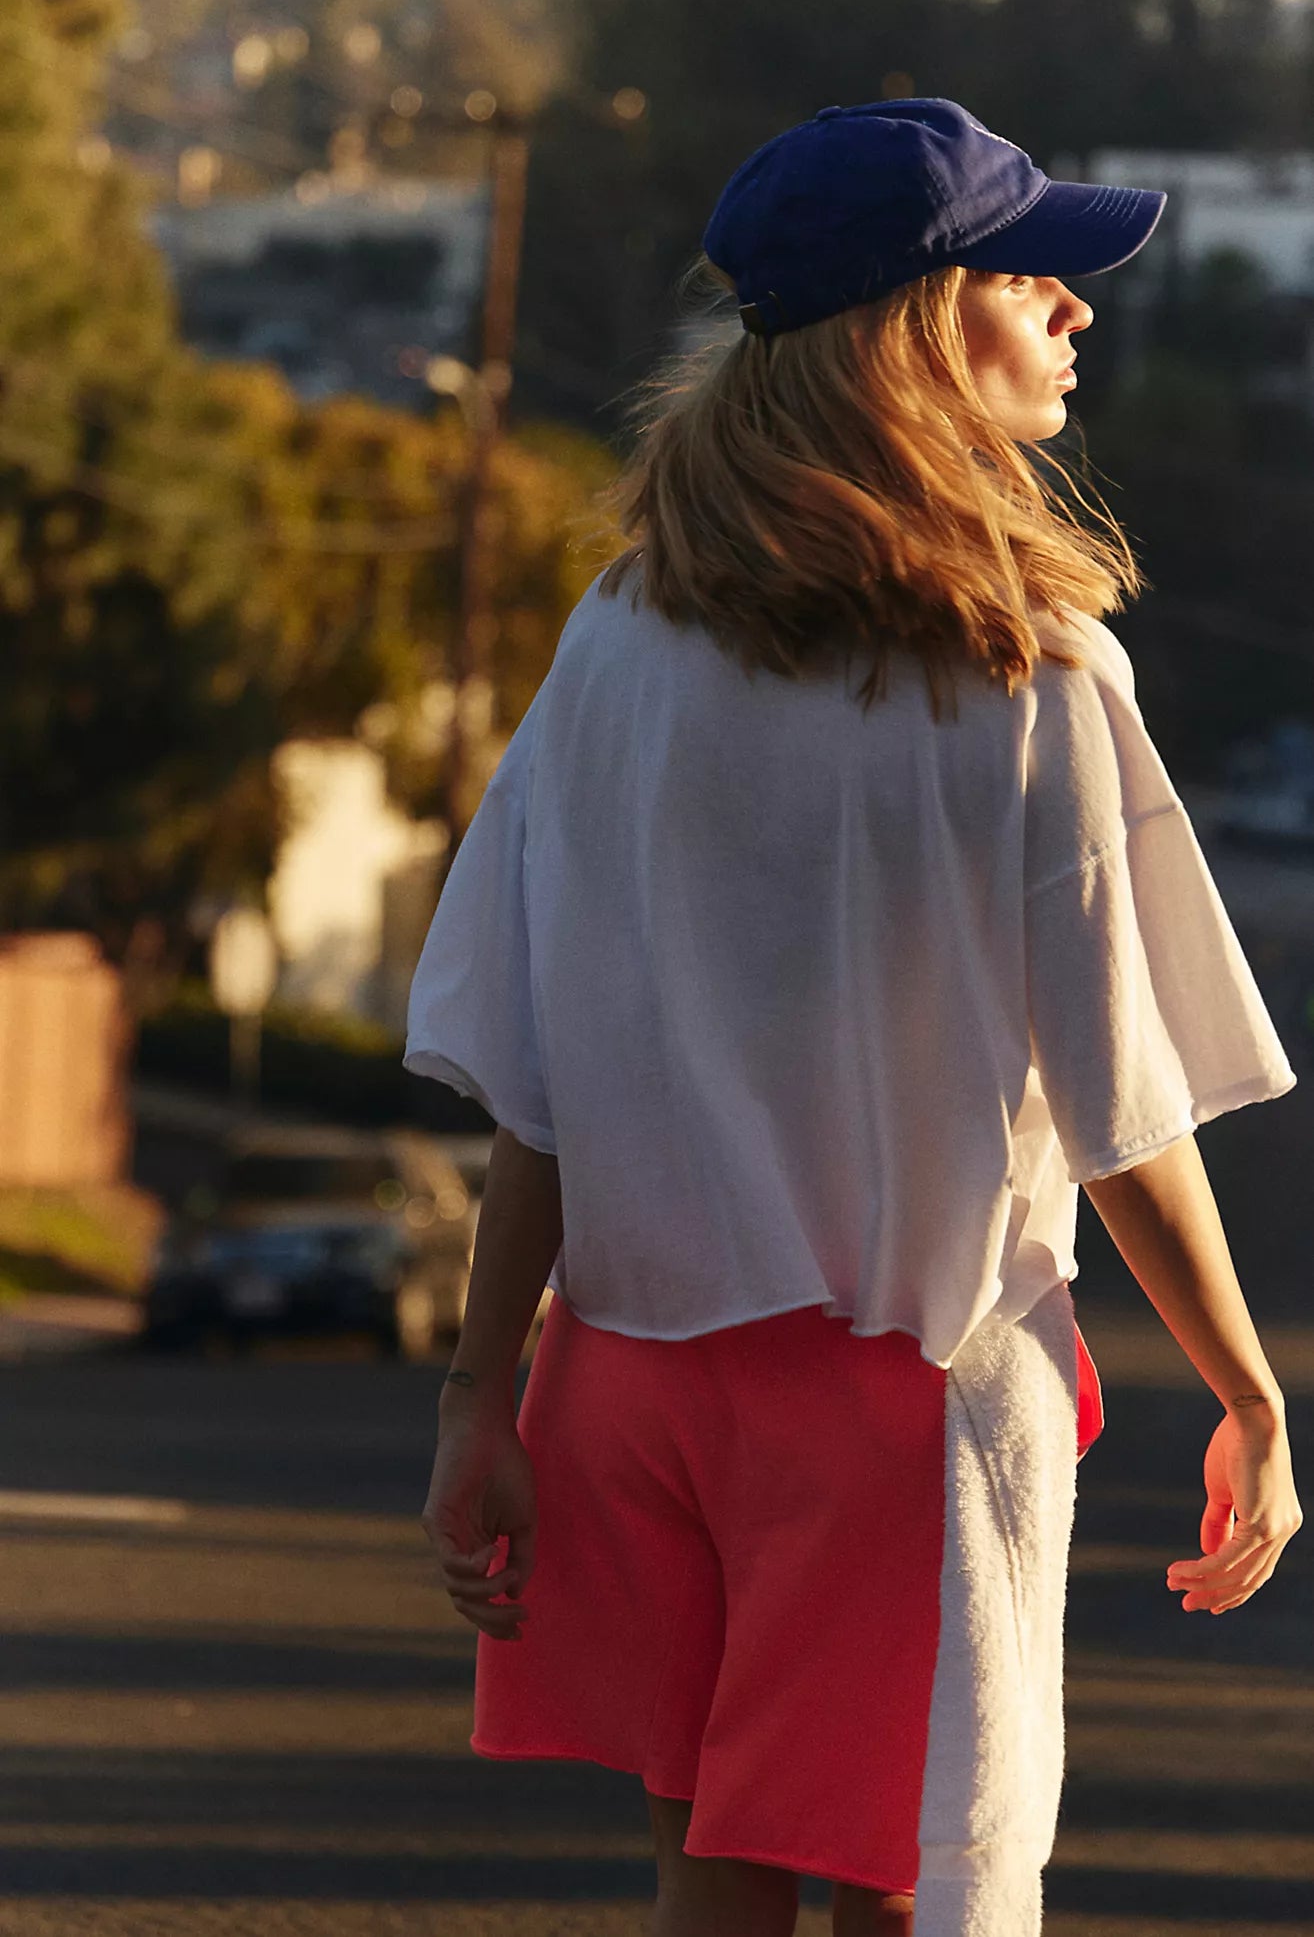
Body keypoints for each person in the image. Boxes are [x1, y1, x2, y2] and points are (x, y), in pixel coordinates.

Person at [403, 98, 1304, 1937]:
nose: (1071, 306)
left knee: (712, 1879)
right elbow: (1120, 1106)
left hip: (628, 1385)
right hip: (903, 1407)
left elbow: (547, 1084)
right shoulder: (1027, 671)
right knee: (925, 1893)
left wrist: (481, 1395)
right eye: (1025, 274)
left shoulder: (616, 638)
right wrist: (1248, 1391)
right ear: (914, 326)